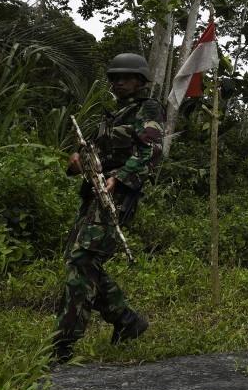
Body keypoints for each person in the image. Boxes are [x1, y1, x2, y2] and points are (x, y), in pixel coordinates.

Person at [52, 53, 165, 363]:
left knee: (82, 259)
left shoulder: (148, 109)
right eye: (115, 77)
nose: (119, 82)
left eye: (126, 77)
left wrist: (121, 178)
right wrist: (76, 162)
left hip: (117, 195)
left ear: (141, 80)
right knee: (79, 260)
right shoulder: (112, 116)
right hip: (93, 194)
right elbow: (87, 153)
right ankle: (128, 322)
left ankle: (62, 346)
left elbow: (152, 152)